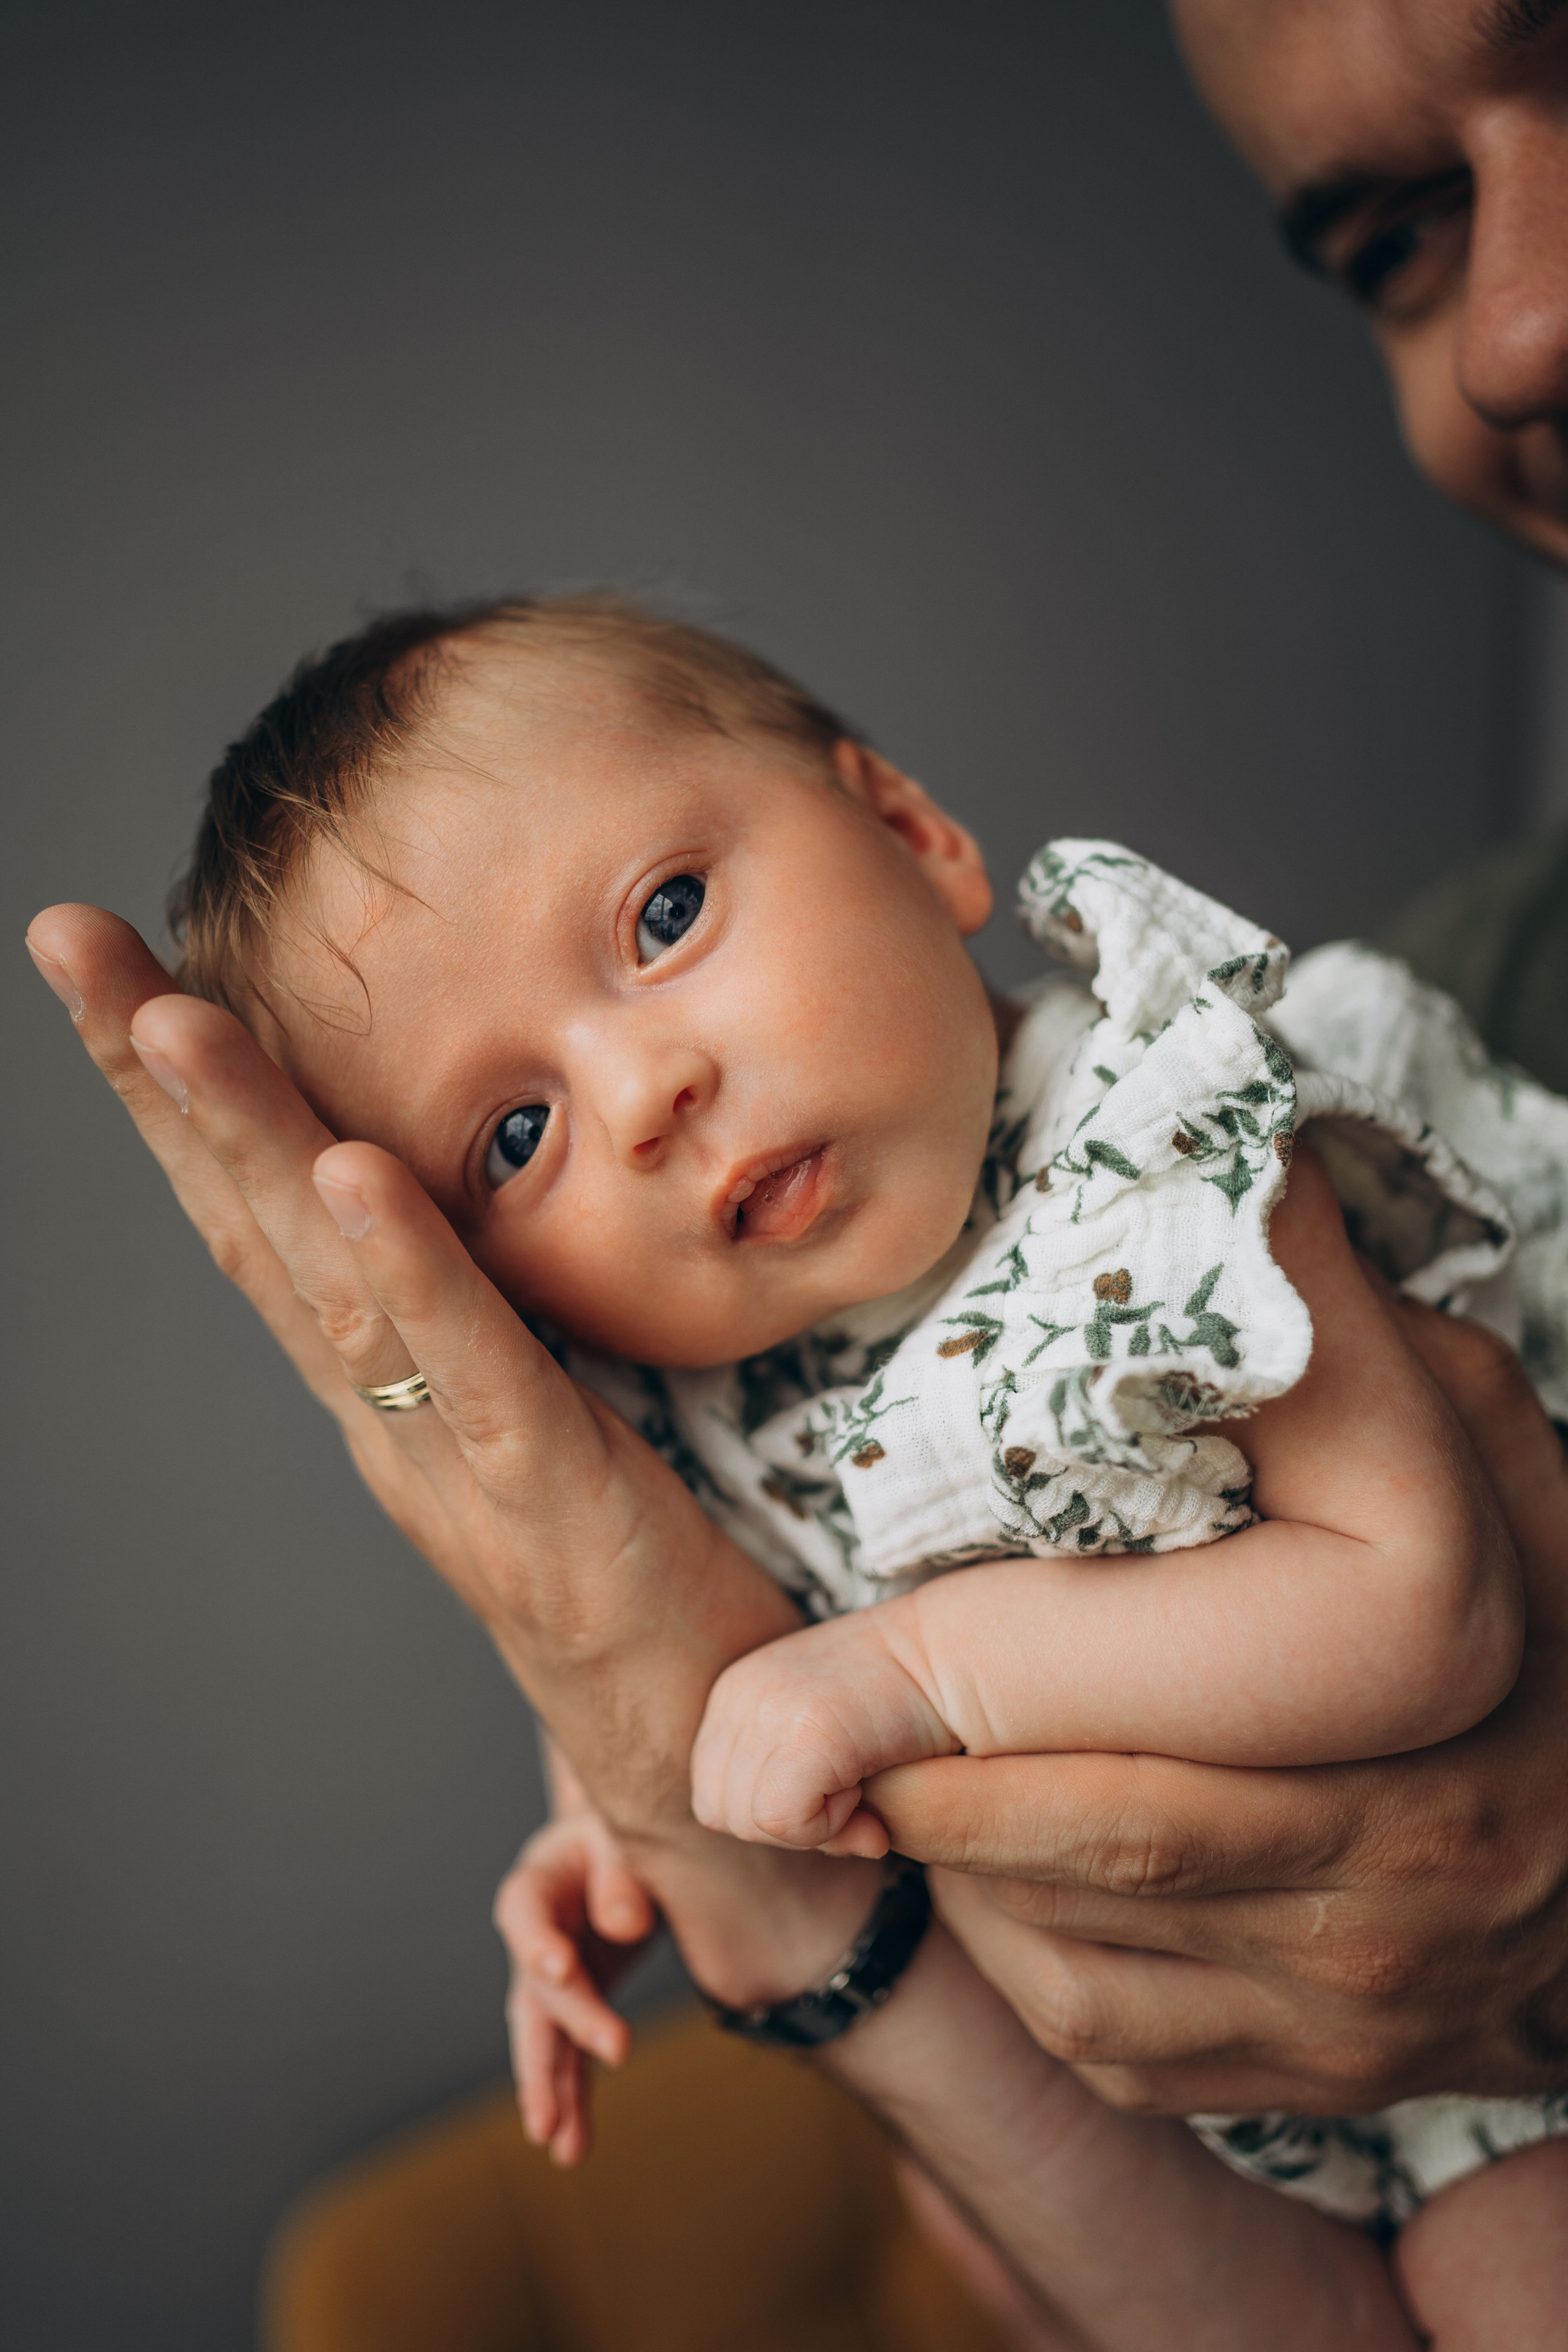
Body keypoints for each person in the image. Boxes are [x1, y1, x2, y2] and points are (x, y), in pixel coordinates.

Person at [34, 590, 1568, 2340]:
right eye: (516, 1137)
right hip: (1197, 2068)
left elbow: (1426, 1604)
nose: (643, 1098)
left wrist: (914, 1674)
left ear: (913, 833)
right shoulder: (695, 1399)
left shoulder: (1159, 1146)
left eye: (664, 917)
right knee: (980, 2228)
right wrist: (599, 1832)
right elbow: (669, 1655)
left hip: (1496, 2004)